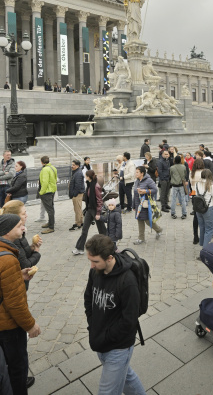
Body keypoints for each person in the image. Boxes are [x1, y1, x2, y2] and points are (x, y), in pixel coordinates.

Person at [83, 234, 147, 395]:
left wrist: (104, 337)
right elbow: (88, 297)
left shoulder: (128, 282)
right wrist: (93, 325)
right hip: (99, 339)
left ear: (110, 258)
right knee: (127, 377)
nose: (91, 266)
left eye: (95, 261)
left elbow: (129, 321)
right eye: (90, 260)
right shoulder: (95, 272)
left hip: (118, 347)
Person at [0, 214, 41, 394]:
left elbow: (0, 282)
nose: (23, 229)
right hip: (9, 324)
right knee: (18, 367)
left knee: (8, 361)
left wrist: (19, 275)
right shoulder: (8, 259)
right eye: (19, 226)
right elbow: (15, 303)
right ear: (7, 231)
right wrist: (30, 325)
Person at [73, 170, 105, 255]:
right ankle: (79, 248)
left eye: (85, 175)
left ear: (89, 176)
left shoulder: (96, 186)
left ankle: (108, 245)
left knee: (102, 230)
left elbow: (99, 200)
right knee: (84, 229)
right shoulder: (89, 184)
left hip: (95, 210)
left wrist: (98, 213)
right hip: (89, 210)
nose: (84, 177)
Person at [133, 165, 163, 245]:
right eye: (135, 172)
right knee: (139, 220)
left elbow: (155, 190)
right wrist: (133, 206)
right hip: (138, 205)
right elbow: (135, 194)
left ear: (142, 173)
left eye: (137, 172)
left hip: (145, 204)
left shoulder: (148, 180)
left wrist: (145, 191)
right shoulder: (137, 181)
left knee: (148, 221)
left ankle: (159, 230)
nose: (136, 173)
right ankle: (141, 238)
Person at [193, 169, 213, 248]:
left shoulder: (197, 183)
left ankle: (202, 244)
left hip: (198, 208)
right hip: (208, 208)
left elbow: (194, 192)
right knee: (209, 229)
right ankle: (205, 249)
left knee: (202, 227)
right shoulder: (210, 185)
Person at [38, 156, 58, 234]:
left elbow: (45, 182)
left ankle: (51, 227)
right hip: (52, 190)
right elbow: (55, 179)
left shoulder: (45, 169)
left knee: (49, 209)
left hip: (46, 192)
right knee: (51, 208)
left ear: (41, 162)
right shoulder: (53, 168)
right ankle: (50, 223)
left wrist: (41, 192)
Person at [169, 155, 188, 219]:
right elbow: (185, 174)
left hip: (174, 185)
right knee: (183, 199)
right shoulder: (183, 167)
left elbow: (170, 175)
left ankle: (173, 213)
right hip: (181, 185)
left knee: (173, 199)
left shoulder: (172, 167)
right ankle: (184, 213)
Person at [69, 159, 85, 231]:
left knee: (77, 209)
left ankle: (78, 223)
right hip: (77, 194)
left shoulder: (78, 173)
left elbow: (78, 185)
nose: (72, 166)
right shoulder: (76, 172)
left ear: (77, 166)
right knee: (78, 208)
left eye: (73, 165)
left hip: (77, 194)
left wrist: (74, 194)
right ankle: (81, 222)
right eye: (72, 164)